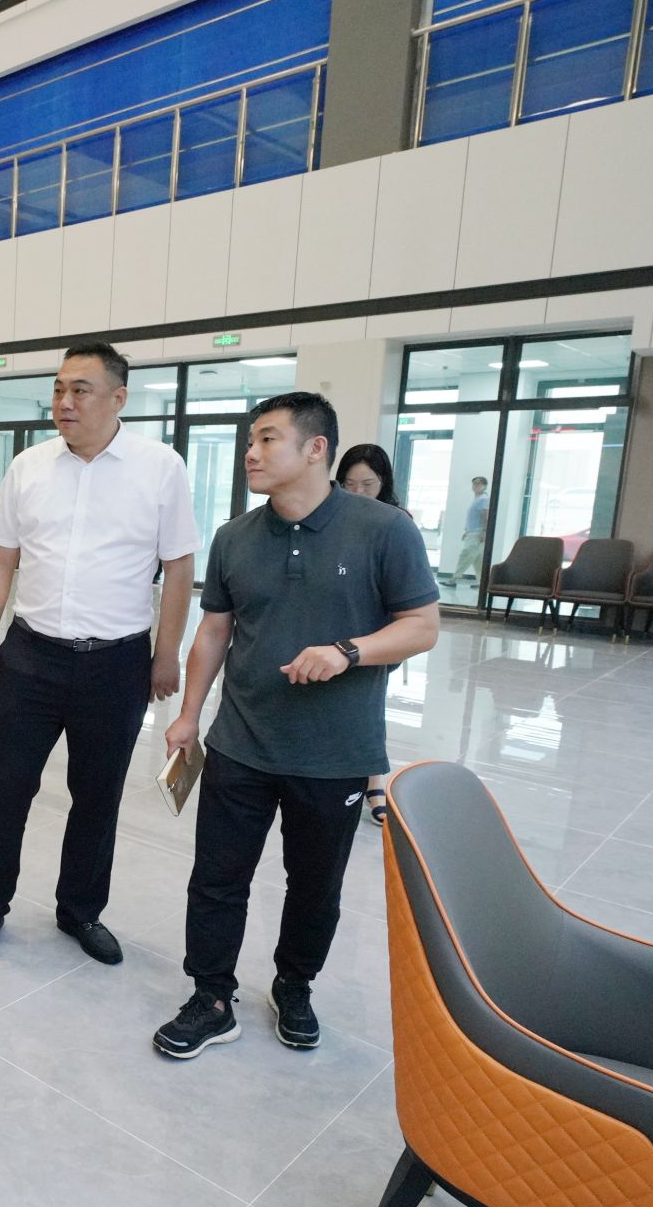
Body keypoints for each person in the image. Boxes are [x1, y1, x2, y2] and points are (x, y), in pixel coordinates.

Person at [152, 393, 439, 1062]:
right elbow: (214, 632)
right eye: (250, 439)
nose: (251, 453)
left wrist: (348, 651)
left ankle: (294, 985)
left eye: (268, 439)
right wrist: (189, 715)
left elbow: (422, 626)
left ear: (316, 449)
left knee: (314, 886)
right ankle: (211, 997)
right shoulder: (235, 536)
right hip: (240, 743)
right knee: (216, 878)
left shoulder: (384, 530)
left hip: (335, 753)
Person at [0, 342, 197, 967]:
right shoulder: (28, 467)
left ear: (119, 398)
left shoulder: (160, 468)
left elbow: (178, 567)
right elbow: (0, 557)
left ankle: (81, 910)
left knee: (98, 794)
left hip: (117, 663)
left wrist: (166, 652)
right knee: (5, 786)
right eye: (59, 389)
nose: (64, 402)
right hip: (31, 655)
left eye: (80, 390)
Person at [337, 442, 408, 826]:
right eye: (350, 485)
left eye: (367, 484)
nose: (359, 493)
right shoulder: (333, 518)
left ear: (384, 483)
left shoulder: (395, 522)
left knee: (370, 705)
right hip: (339, 624)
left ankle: (375, 781)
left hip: (377, 634)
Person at [448, 476, 489, 584]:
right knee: (478, 560)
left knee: (466, 555)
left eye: (478, 483)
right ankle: (482, 582)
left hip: (477, 533)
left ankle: (454, 578)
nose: (475, 485)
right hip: (472, 532)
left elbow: (485, 517)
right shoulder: (477, 499)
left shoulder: (483, 499)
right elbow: (473, 518)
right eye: (474, 483)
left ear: (484, 486)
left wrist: (484, 532)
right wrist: (467, 531)